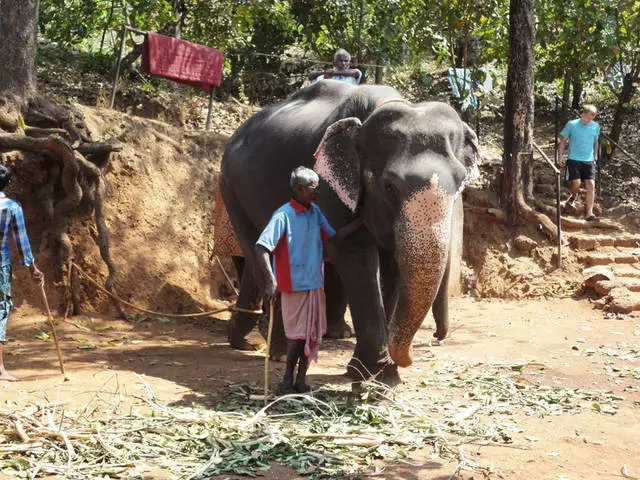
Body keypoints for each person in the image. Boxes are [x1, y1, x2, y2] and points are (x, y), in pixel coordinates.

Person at [254, 166, 335, 394]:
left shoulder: (315, 212)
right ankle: (287, 380)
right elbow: (261, 247)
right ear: (300, 189)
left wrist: (360, 224)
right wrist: (270, 281)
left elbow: (332, 235)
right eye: (313, 188)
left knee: (312, 335)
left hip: (315, 282)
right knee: (297, 337)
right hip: (294, 284)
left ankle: (301, 380)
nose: (316, 192)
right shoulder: (283, 215)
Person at [0, 165, 43, 381]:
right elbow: (22, 242)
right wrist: (33, 268)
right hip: (1, 266)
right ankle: (0, 369)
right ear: (7, 184)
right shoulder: (11, 207)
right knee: (0, 311)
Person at [558, 104, 601, 221]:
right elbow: (562, 141)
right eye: (588, 117)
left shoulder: (595, 126)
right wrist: (560, 156)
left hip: (589, 160)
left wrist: (595, 156)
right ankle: (574, 194)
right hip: (574, 159)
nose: (589, 120)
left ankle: (589, 213)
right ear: (583, 114)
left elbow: (595, 142)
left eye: (592, 118)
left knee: (591, 185)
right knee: (576, 183)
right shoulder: (572, 124)